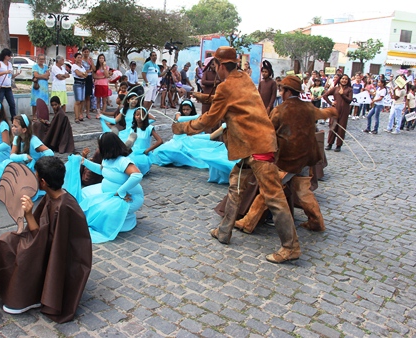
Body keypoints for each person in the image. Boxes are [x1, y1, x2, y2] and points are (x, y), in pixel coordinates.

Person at [173, 46, 299, 264]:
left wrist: (182, 127)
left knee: (273, 196)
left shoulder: (226, 86)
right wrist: (200, 96)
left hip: (257, 147)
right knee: (236, 185)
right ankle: (224, 231)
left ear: (220, 66)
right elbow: (229, 101)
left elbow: (209, 121)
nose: (215, 70)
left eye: (215, 66)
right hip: (253, 145)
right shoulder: (244, 78)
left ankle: (291, 247)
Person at [0, 156, 92, 322]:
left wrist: (28, 214)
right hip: (44, 243)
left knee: (17, 248)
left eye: (35, 175)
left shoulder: (63, 206)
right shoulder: (54, 196)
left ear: (42, 181)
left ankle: (26, 298)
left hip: (55, 254)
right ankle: (2, 285)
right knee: (4, 241)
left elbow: (47, 243)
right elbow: (44, 234)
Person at [234, 76, 337, 234]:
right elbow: (323, 113)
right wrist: (333, 110)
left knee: (268, 190)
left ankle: (248, 222)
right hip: (307, 158)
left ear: (288, 91)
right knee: (303, 192)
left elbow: (268, 132)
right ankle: (316, 222)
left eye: (282, 90)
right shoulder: (308, 107)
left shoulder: (280, 110)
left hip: (289, 160)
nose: (281, 93)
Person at [77, 132, 144, 243]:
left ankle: (115, 224)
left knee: (103, 209)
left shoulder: (123, 161)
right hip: (107, 192)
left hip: (128, 197)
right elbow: (101, 170)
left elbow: (137, 175)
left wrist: (121, 191)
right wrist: (84, 162)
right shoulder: (107, 159)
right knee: (83, 194)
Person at [0, 114, 54, 193]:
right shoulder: (17, 138)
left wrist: (39, 164)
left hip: (32, 167)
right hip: (23, 163)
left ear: (24, 130)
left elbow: (49, 152)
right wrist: (23, 156)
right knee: (7, 164)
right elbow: (12, 155)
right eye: (12, 126)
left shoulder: (33, 140)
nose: (12, 128)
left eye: (15, 126)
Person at [127, 107, 163, 175]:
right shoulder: (132, 128)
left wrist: (148, 150)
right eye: (137, 115)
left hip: (143, 154)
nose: (139, 117)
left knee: (135, 163)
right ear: (134, 116)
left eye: (142, 115)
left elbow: (160, 141)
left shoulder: (149, 128)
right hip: (133, 152)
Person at [323, 74, 353, 152]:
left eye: (346, 79)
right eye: (343, 78)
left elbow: (349, 100)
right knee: (333, 126)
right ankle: (330, 144)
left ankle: (338, 145)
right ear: (340, 79)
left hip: (344, 111)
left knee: (341, 128)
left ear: (348, 81)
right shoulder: (335, 89)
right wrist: (331, 103)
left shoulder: (349, 89)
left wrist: (342, 94)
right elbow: (325, 95)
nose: (344, 80)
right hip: (335, 110)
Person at [0, 48, 19, 118]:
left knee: (12, 104)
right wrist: (5, 72)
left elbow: (10, 76)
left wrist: (16, 74)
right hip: (0, 87)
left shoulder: (9, 64)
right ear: (5, 56)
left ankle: (13, 118)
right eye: (9, 56)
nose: (10, 57)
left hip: (8, 87)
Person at [71, 52, 87, 123]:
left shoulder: (82, 67)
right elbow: (79, 74)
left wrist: (83, 74)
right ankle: (76, 117)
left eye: (81, 57)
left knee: (82, 100)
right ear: (75, 58)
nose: (80, 59)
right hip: (77, 83)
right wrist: (83, 74)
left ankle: (80, 115)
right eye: (78, 57)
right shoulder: (74, 66)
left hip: (83, 83)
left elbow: (85, 74)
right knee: (77, 101)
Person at [93, 54, 110, 118]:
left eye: (102, 58)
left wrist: (104, 67)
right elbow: (94, 76)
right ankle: (98, 112)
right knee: (98, 100)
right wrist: (101, 77)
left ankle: (103, 112)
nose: (101, 59)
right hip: (98, 84)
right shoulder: (96, 67)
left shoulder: (106, 67)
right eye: (100, 58)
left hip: (104, 84)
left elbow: (107, 75)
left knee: (104, 100)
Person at [81, 47, 95, 119]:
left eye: (87, 52)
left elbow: (94, 69)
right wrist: (87, 71)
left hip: (89, 78)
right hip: (83, 78)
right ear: (82, 52)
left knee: (88, 96)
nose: (86, 53)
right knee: (82, 96)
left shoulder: (90, 60)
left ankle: (88, 113)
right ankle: (81, 113)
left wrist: (91, 62)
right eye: (85, 52)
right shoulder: (81, 60)